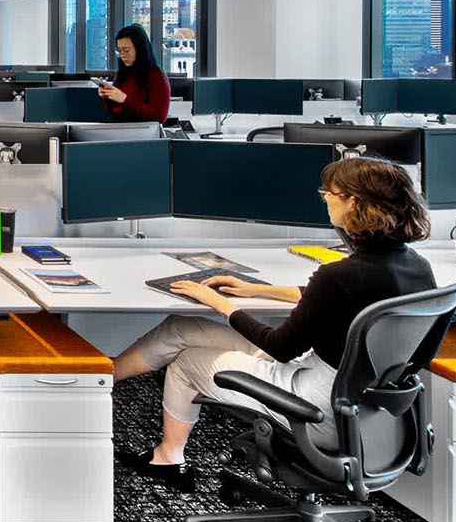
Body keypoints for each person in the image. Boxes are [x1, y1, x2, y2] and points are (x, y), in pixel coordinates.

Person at [111, 156, 436, 490]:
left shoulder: (339, 276)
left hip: (316, 409)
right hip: (363, 405)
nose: (324, 197)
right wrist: (255, 290)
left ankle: (168, 458)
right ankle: (99, 382)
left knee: (187, 360)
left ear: (353, 202)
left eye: (330, 193)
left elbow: (280, 347)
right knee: (181, 327)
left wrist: (221, 304)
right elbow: (341, 302)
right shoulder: (417, 269)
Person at [97, 23, 171, 122]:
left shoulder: (156, 76)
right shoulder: (123, 74)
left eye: (126, 50)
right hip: (120, 130)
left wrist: (124, 99)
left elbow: (160, 116)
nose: (122, 55)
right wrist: (107, 97)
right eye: (119, 51)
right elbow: (114, 111)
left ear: (139, 49)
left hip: (142, 133)